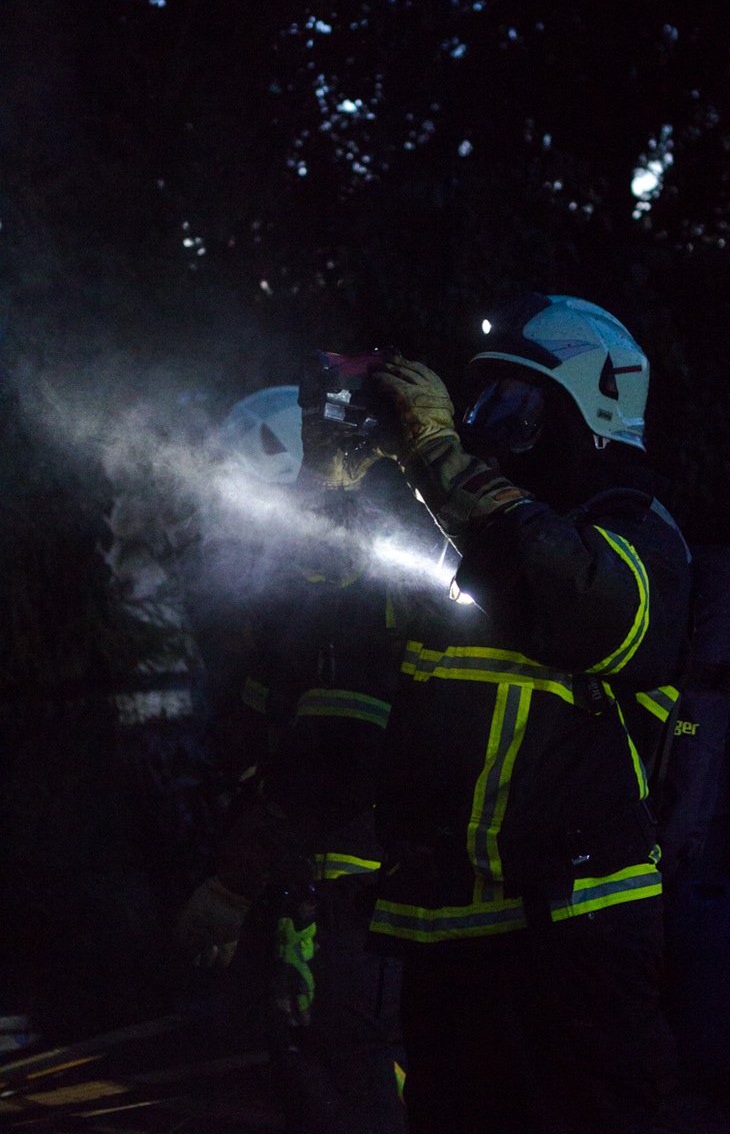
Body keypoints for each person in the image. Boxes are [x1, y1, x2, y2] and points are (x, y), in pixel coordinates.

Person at [367, 293, 693, 1134]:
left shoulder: (636, 529)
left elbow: (587, 602)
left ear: (591, 411)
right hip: (452, 940)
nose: (489, 431)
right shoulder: (478, 538)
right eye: (480, 410)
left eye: (517, 410)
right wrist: (361, 474)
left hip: (573, 943)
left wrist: (439, 452)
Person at [175, 385, 414, 1134]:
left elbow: (335, 762)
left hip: (350, 900)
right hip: (321, 896)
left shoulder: (343, 603)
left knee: (350, 1093)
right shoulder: (302, 610)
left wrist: (233, 885)